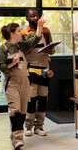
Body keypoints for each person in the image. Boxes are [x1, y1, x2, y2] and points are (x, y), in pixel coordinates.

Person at [0, 15, 45, 150]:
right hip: (11, 83)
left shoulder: (21, 45)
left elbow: (35, 39)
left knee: (23, 111)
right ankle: (18, 139)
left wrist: (40, 25)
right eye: (19, 31)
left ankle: (14, 134)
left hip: (25, 82)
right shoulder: (3, 48)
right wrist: (13, 62)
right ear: (12, 34)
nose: (21, 33)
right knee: (15, 110)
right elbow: (1, 66)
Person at [22, 9, 55, 137]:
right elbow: (24, 50)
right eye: (32, 16)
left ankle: (39, 126)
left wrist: (50, 49)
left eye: (36, 15)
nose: (35, 18)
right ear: (27, 18)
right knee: (31, 99)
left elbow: (52, 50)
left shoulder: (46, 31)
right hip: (31, 68)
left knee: (43, 99)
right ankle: (28, 126)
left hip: (45, 68)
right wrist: (37, 34)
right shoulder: (24, 33)